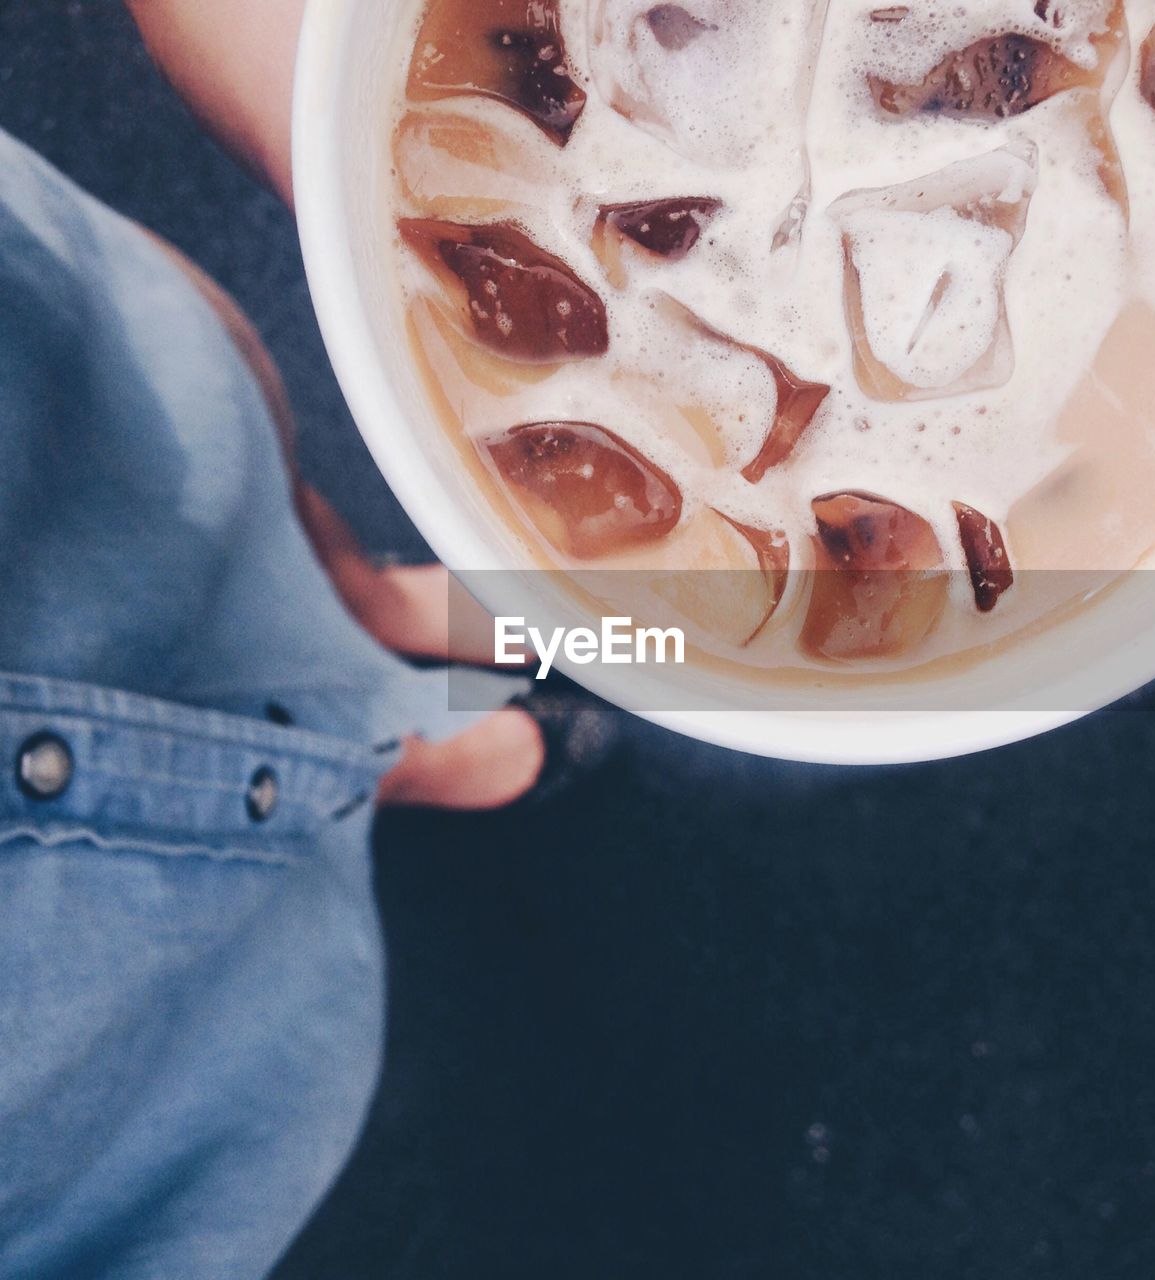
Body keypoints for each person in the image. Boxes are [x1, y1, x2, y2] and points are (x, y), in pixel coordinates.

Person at [0, 2, 549, 1274]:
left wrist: (345, 133)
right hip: (131, 1044)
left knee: (239, 491)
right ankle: (389, 753)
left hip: (87, 447)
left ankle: (366, 616)